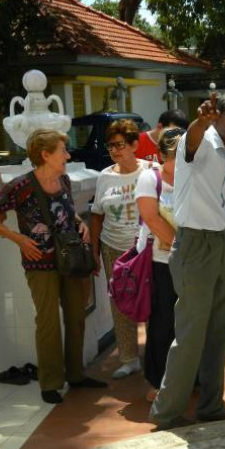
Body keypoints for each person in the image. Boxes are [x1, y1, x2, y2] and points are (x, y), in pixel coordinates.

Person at [0, 129, 107, 404]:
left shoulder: (64, 180)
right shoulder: (21, 185)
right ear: (45, 154)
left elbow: (68, 213)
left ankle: (75, 375)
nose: (68, 155)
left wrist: (80, 224)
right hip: (39, 264)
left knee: (76, 317)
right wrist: (18, 239)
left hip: (69, 261)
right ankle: (50, 383)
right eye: (63, 150)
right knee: (47, 322)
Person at [149, 92, 225, 429]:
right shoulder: (202, 139)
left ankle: (210, 406)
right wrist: (200, 121)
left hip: (220, 244)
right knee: (191, 334)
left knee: (219, 331)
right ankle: (167, 412)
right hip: (195, 246)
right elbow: (190, 142)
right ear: (216, 114)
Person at [90, 120, 147, 379]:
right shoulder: (104, 177)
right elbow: (96, 216)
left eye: (120, 145)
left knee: (153, 301)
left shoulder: (151, 171)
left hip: (146, 247)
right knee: (121, 303)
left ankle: (157, 355)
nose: (114, 150)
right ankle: (129, 358)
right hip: (113, 247)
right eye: (110, 145)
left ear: (134, 145)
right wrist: (94, 251)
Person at [136, 127, 182, 402]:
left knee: (189, 323)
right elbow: (152, 218)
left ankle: (189, 376)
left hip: (192, 262)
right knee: (163, 322)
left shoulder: (197, 177)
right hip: (161, 262)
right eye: (176, 156)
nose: (183, 162)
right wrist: (184, 246)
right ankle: (158, 380)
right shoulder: (149, 178)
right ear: (162, 155)